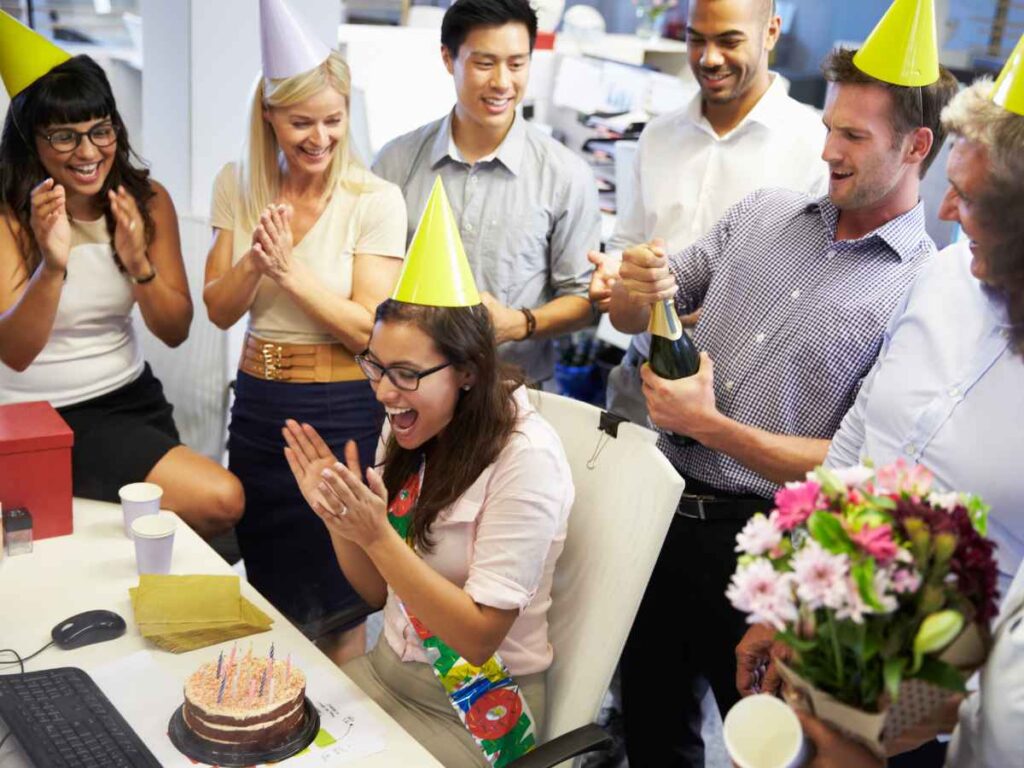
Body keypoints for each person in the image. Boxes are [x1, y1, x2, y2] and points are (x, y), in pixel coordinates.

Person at [610, 22, 960, 765]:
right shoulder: (762, 214)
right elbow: (641, 310)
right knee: (648, 729)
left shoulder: (926, 293)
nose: (829, 150)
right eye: (830, 127)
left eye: (855, 137)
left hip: (770, 553)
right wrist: (637, 284)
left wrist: (713, 427)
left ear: (917, 147)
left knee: (770, 747)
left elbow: (865, 465)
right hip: (654, 517)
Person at [736, 48, 1024, 768]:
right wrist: (790, 602)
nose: (946, 212)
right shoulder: (940, 277)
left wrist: (946, 706)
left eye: (971, 199)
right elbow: (855, 446)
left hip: (954, 721)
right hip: (828, 654)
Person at [284, 179, 573, 768]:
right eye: (376, 367)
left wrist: (376, 535)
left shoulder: (526, 459)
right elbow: (377, 592)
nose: (384, 392)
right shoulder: (409, 425)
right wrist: (340, 520)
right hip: (384, 673)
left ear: (467, 371)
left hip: (478, 710)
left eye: (407, 374)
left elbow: (477, 639)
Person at [202, 0, 406, 663]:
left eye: (332, 120)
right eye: (301, 123)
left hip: (341, 408)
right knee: (272, 593)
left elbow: (369, 330)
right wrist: (255, 263)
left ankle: (342, 722)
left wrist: (289, 273)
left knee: (341, 602)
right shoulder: (238, 184)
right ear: (269, 115)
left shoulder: (375, 199)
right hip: (260, 409)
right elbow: (218, 309)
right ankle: (277, 710)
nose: (319, 138)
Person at [0, 13, 243, 538]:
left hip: (132, 399)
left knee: (177, 533)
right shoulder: (8, 219)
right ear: (29, 141)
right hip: (41, 417)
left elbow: (175, 331)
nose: (89, 152)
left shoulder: (146, 202)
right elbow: (15, 352)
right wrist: (52, 266)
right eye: (64, 137)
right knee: (221, 499)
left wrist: (139, 268)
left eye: (100, 130)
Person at [590, 0, 828, 425]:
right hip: (642, 379)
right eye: (696, 40)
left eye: (729, 41)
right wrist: (618, 275)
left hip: (739, 398)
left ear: (771, 32)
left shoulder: (815, 145)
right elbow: (629, 245)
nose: (709, 58)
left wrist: (717, 309)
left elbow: (814, 289)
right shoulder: (658, 136)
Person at [372, 0, 600, 385]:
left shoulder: (566, 174)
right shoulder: (396, 163)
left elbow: (584, 301)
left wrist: (520, 323)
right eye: (484, 63)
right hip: (411, 387)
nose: (502, 82)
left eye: (517, 64)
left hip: (514, 390)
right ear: (448, 58)